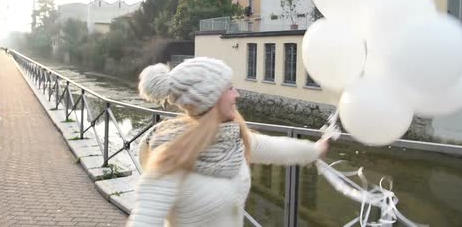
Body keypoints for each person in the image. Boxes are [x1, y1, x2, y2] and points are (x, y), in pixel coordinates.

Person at [127, 57, 329, 227]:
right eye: (230, 88)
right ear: (209, 97)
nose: (237, 94)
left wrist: (315, 150)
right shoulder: (170, 161)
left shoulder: (233, 139)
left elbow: (276, 148)